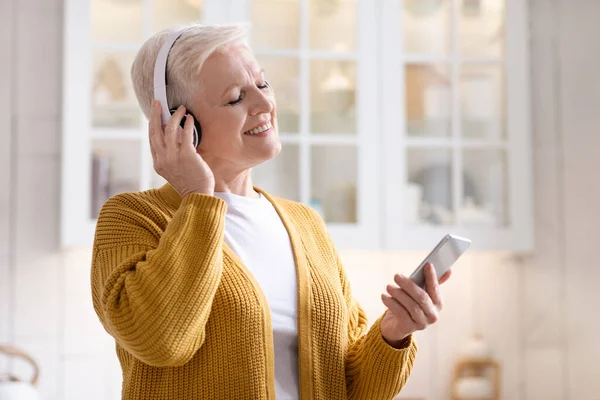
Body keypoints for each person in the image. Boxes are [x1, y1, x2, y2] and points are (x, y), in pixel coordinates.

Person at [90, 23, 451, 400]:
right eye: (235, 98)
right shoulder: (133, 218)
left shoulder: (304, 223)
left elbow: (347, 386)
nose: (264, 105)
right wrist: (198, 196)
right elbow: (162, 340)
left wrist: (394, 332)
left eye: (262, 85)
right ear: (179, 125)